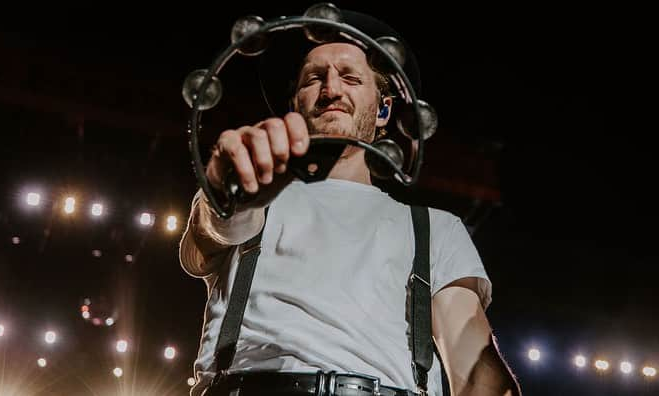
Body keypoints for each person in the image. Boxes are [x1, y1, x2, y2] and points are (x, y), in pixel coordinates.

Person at [179, 9, 521, 396]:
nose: (331, 90)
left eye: (350, 77)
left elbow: (475, 371)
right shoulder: (249, 198)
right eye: (314, 78)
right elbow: (205, 242)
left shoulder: (433, 227)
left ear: (384, 110)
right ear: (294, 104)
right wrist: (227, 196)